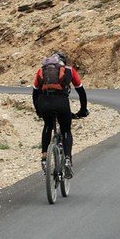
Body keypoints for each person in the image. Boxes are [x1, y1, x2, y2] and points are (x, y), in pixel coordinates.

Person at [32, 50, 88, 179]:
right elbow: (81, 92)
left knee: (47, 126)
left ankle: (44, 158)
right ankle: (67, 159)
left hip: (44, 103)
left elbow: (35, 93)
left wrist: (38, 111)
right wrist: (83, 110)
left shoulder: (41, 70)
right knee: (66, 130)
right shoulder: (69, 70)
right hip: (61, 103)